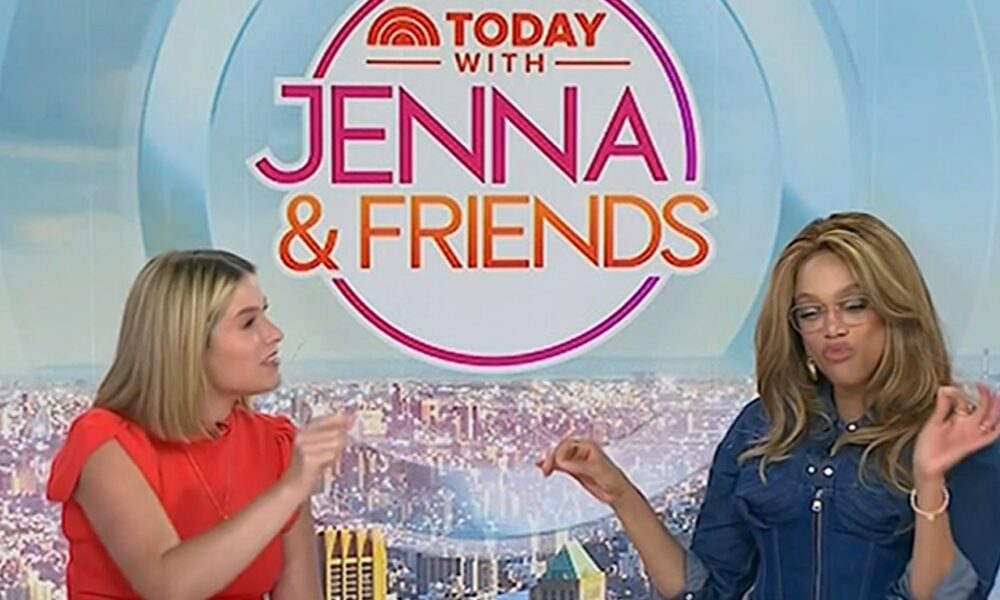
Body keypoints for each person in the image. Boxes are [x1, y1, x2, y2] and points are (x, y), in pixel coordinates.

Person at [539, 212, 1000, 599]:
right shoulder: (762, 426)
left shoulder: (959, 434)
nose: (832, 328)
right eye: (811, 312)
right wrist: (619, 493)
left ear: (894, 310)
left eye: (854, 305)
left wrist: (928, 480)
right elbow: (707, 591)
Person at [46, 249, 352, 599]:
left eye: (265, 314)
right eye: (248, 323)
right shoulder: (106, 443)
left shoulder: (275, 445)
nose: (274, 334)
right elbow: (167, 586)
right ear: (187, 342)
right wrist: (289, 491)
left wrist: (293, 486)